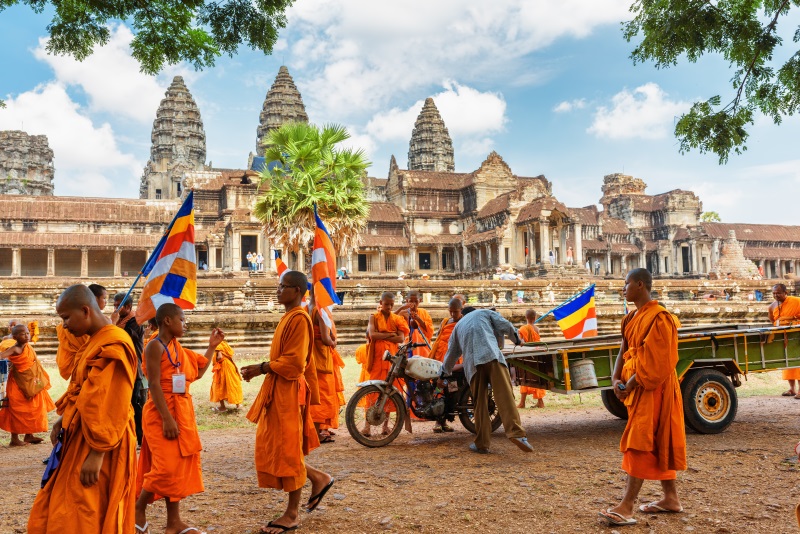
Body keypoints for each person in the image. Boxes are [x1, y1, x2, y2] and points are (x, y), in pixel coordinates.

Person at [28, 284, 138, 533]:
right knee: (67, 504)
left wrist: (98, 452)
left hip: (102, 441)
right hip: (80, 434)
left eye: (66, 317)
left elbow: (110, 400)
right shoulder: (94, 341)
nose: (64, 325)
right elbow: (83, 388)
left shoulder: (114, 343)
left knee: (87, 506)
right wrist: (63, 417)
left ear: (86, 311)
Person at [240, 271, 334, 534]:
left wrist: (261, 368)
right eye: (278, 286)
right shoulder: (289, 317)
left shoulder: (300, 319)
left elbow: (294, 363)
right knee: (282, 446)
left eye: (282, 286)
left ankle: (292, 514)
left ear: (297, 290)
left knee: (288, 448)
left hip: (289, 390)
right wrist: (263, 369)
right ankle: (318, 478)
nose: (278, 290)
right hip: (280, 389)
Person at [599, 268, 686, 526]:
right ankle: (671, 498)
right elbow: (623, 349)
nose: (622, 288)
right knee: (658, 439)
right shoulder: (630, 318)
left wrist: (630, 382)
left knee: (640, 439)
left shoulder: (660, 318)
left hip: (655, 387)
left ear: (640, 285)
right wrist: (616, 379)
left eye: (626, 284)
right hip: (637, 384)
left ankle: (626, 506)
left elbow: (657, 362)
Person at [135, 303, 224, 534]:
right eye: (182, 320)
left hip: (181, 411)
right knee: (165, 467)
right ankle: (138, 508)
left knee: (177, 464)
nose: (186, 324)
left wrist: (211, 347)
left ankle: (173, 523)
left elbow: (199, 371)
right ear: (167, 321)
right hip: (160, 411)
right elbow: (153, 384)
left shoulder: (177, 348)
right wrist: (167, 418)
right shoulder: (155, 346)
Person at [442, 307, 532, 454]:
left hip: (472, 365)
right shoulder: (484, 313)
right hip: (492, 356)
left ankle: (482, 443)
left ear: (463, 315)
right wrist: (516, 340)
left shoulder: (457, 327)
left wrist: (443, 373)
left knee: (479, 403)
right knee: (505, 396)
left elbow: (451, 353)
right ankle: (517, 434)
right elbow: (506, 325)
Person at [0, 325, 55, 446]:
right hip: (18, 383)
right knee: (16, 409)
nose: (27, 336)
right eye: (23, 334)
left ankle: (29, 435)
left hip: (33, 379)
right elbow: (1, 355)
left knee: (35, 405)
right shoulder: (14, 349)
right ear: (15, 337)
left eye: (27, 333)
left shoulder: (28, 347)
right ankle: (14, 439)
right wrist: (8, 362)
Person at [363, 292, 410, 435]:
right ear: (380, 303)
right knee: (373, 390)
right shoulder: (374, 317)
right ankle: (367, 426)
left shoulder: (397, 319)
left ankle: (385, 426)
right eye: (386, 304)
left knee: (391, 391)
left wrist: (383, 335)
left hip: (392, 359)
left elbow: (401, 338)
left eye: (391, 304)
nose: (389, 307)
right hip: (378, 359)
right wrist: (390, 335)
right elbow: (372, 335)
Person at [113, 292, 147, 448]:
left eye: (118, 306)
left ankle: (140, 439)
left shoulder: (136, 322)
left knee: (134, 405)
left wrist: (111, 326)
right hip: (119, 369)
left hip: (133, 369)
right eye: (114, 305)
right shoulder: (119, 320)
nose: (115, 309)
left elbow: (121, 337)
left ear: (128, 306)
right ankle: (124, 437)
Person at [308, 288, 340, 443]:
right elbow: (326, 339)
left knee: (315, 393)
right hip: (321, 357)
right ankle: (319, 431)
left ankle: (318, 429)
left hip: (311, 356)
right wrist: (334, 342)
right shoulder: (319, 311)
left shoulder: (308, 307)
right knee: (323, 395)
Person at [429, 298, 464, 433]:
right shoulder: (445, 321)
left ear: (461, 310)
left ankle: (444, 420)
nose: (453, 315)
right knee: (438, 388)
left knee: (451, 390)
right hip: (440, 359)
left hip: (455, 360)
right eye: (451, 312)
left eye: (455, 312)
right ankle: (438, 420)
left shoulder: (463, 322)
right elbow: (439, 338)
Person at [769, 283, 800, 397]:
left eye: (778, 293)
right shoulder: (772, 306)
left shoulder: (796, 301)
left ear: (785, 293)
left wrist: (792, 321)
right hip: (783, 336)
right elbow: (773, 320)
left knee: (798, 363)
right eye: (774, 293)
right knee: (788, 363)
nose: (776, 295)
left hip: (796, 335)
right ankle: (792, 389)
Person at [517, 309, 546, 409]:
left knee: (525, 378)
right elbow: (538, 342)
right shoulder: (537, 329)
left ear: (526, 317)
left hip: (526, 356)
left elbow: (520, 342)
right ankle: (540, 402)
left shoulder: (522, 328)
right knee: (537, 379)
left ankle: (522, 403)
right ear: (535, 318)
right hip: (536, 356)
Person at [396, 290, 434, 357]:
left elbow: (430, 331)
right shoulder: (402, 313)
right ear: (407, 301)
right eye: (411, 301)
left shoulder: (424, 312)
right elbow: (391, 320)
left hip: (422, 344)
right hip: (407, 344)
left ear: (420, 300)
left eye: (416, 301)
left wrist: (418, 319)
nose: (413, 304)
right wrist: (402, 308)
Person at [210, 338, 243, 412]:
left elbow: (220, 357)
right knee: (232, 383)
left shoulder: (218, 345)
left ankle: (222, 407)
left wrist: (216, 361)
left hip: (223, 367)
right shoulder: (224, 344)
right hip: (230, 365)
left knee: (219, 385)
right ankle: (238, 405)